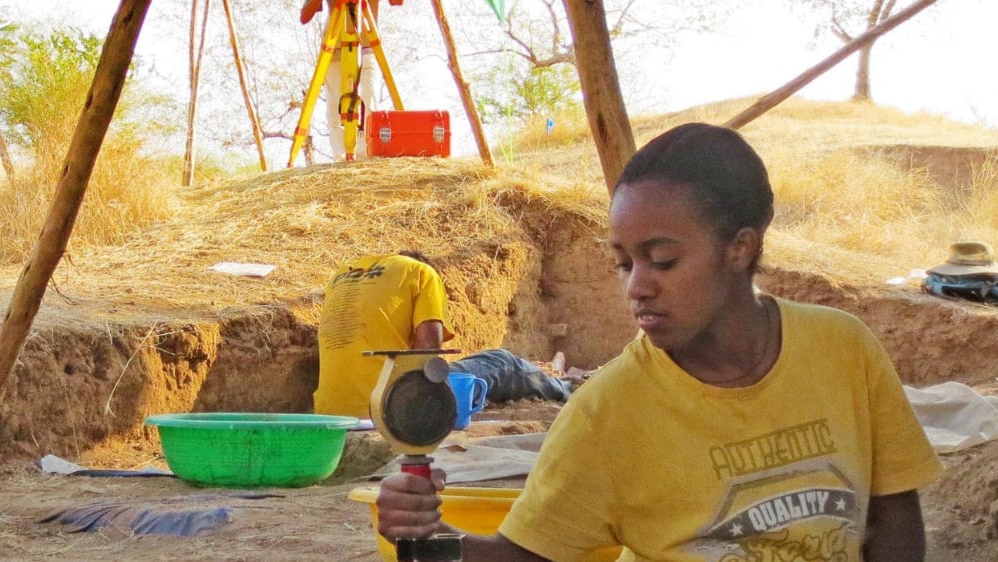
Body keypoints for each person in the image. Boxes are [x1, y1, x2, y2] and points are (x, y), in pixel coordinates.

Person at [375, 122, 943, 561]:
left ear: (740, 248)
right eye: (624, 264)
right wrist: (427, 537)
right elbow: (527, 556)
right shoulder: (609, 411)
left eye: (662, 260)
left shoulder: (843, 350)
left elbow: (893, 515)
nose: (637, 288)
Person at [299, 0, 404, 161]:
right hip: (335, 49)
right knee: (337, 105)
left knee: (369, 100)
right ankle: (342, 158)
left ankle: (368, 156)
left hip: (367, 48)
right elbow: (304, 16)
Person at [313, 251, 451, 419]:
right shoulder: (423, 272)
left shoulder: (341, 274)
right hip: (385, 412)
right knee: (484, 365)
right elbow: (429, 347)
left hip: (328, 412)